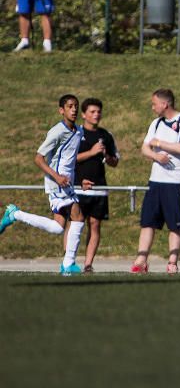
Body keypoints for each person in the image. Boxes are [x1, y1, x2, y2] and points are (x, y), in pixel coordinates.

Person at [0, 94, 92, 275]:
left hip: (67, 183)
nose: (74, 110)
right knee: (78, 216)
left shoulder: (78, 132)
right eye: (70, 106)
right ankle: (68, 263)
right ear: (61, 110)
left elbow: (70, 160)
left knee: (58, 227)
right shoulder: (57, 131)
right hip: (57, 183)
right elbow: (38, 158)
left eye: (76, 106)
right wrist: (56, 177)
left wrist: (79, 180)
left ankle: (15, 214)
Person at [131, 89, 180, 275]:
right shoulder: (156, 123)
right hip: (156, 181)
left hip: (176, 182)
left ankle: (172, 261)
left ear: (165, 104)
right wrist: (156, 156)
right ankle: (141, 260)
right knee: (148, 222)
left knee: (175, 225)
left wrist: (159, 144)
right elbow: (145, 147)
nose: (152, 107)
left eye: (154, 103)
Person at [74, 98, 120, 273]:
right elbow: (69, 159)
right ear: (84, 114)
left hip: (99, 188)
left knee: (94, 225)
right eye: (92, 112)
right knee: (74, 224)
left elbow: (115, 161)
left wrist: (107, 157)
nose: (96, 115)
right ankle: (69, 259)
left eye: (98, 111)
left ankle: (88, 264)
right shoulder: (75, 133)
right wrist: (91, 152)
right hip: (77, 187)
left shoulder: (106, 135)